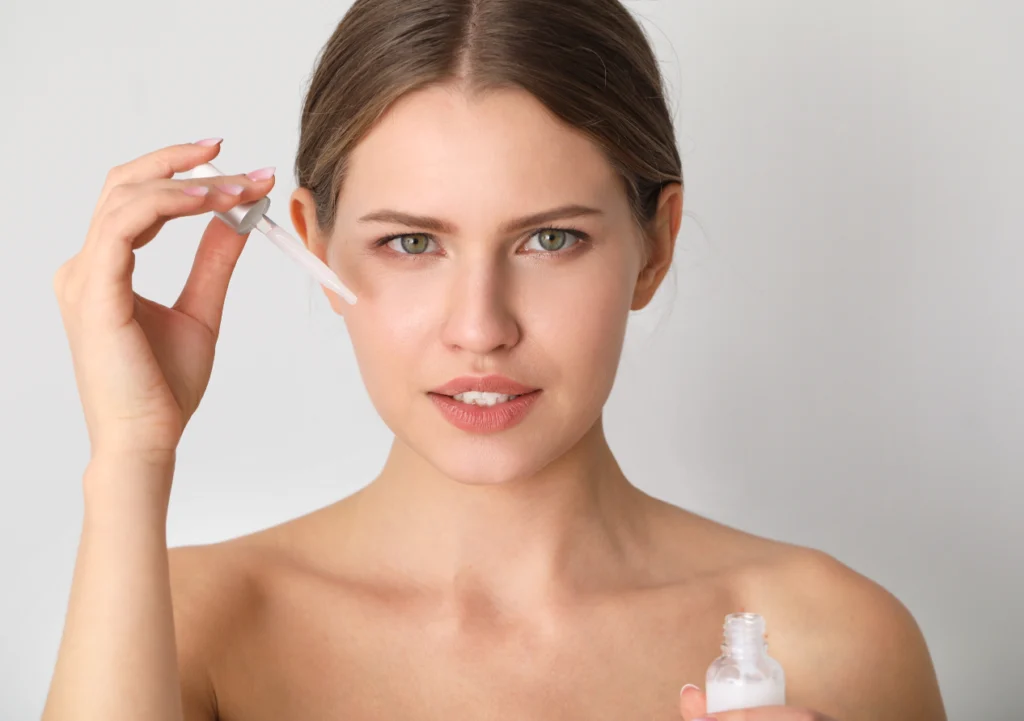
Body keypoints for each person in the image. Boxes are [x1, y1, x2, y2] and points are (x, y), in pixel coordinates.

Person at [43, 1, 948, 720]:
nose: (480, 328)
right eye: (410, 243)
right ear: (313, 244)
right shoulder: (189, 622)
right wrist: (131, 455)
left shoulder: (833, 644)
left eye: (550, 239)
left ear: (655, 245)